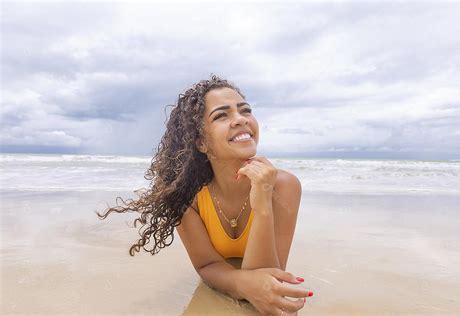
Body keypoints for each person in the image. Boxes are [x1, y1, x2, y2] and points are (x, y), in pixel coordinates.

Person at [97, 75, 313, 315]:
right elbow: (207, 265)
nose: (240, 119)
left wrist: (262, 203)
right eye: (222, 115)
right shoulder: (186, 194)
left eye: (245, 111)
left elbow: (269, 277)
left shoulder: (283, 186)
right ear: (201, 142)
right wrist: (242, 283)